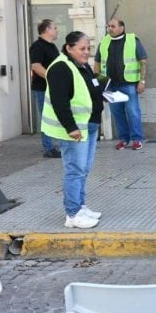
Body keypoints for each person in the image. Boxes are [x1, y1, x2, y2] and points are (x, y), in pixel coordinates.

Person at [42, 31, 105, 229]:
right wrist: (71, 128)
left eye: (89, 48)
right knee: (74, 170)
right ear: (69, 48)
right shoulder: (61, 67)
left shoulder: (81, 65)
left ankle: (81, 206)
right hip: (75, 131)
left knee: (83, 170)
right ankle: (72, 213)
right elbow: (60, 101)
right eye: (82, 49)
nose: (87, 53)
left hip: (89, 126)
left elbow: (89, 89)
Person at [94, 18, 147, 150]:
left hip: (128, 84)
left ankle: (137, 139)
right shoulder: (104, 42)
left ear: (121, 28)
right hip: (111, 86)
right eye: (108, 26)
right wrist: (99, 85)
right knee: (117, 113)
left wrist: (142, 81)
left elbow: (143, 62)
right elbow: (97, 64)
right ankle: (123, 139)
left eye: (113, 26)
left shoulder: (132, 40)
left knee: (133, 112)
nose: (109, 29)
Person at [29, 19, 61, 158]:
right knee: (46, 118)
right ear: (47, 30)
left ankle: (58, 145)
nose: (57, 30)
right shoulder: (37, 46)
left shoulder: (52, 46)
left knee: (55, 116)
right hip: (42, 88)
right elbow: (36, 66)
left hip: (54, 88)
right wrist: (51, 78)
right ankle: (48, 148)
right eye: (55, 27)